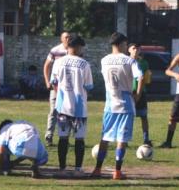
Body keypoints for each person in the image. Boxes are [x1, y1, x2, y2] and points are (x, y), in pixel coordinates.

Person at [92, 33, 137, 180]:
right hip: (125, 104)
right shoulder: (129, 61)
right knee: (121, 139)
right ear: (122, 44)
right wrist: (138, 94)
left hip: (110, 104)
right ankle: (117, 171)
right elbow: (140, 76)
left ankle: (97, 169)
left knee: (105, 137)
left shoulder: (104, 60)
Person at [51, 34, 93, 174]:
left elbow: (54, 82)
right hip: (79, 108)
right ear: (78, 47)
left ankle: (62, 168)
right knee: (79, 139)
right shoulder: (84, 64)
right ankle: (78, 168)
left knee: (63, 138)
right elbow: (88, 86)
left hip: (62, 106)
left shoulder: (58, 62)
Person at [42, 31, 71, 146]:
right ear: (61, 39)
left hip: (68, 87)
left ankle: (64, 137)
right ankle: (49, 135)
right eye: (66, 37)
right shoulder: (55, 50)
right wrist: (47, 81)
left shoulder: (73, 51)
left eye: (69, 37)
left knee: (67, 112)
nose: (68, 39)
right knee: (54, 110)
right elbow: (46, 66)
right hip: (56, 86)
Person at [128, 43, 152, 146]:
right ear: (129, 50)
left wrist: (148, 77)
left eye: (138, 48)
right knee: (128, 117)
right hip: (129, 92)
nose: (136, 50)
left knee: (143, 116)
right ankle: (125, 139)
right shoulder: (125, 62)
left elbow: (146, 79)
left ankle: (146, 139)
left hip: (141, 92)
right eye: (133, 48)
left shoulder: (144, 63)